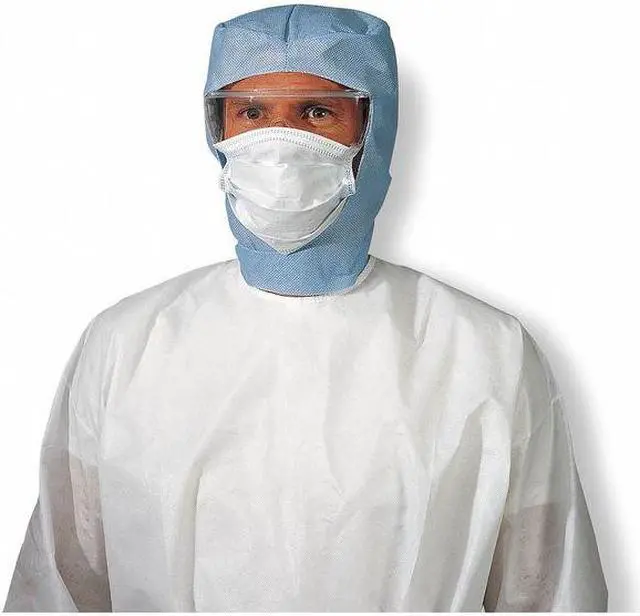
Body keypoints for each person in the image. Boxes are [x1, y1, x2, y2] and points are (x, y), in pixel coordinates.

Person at [3, 4, 608, 612]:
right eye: (251, 112)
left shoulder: (483, 351)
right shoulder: (127, 343)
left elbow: (546, 591)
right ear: (217, 130)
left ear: (374, 130)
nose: (278, 144)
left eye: (317, 112)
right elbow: (62, 585)